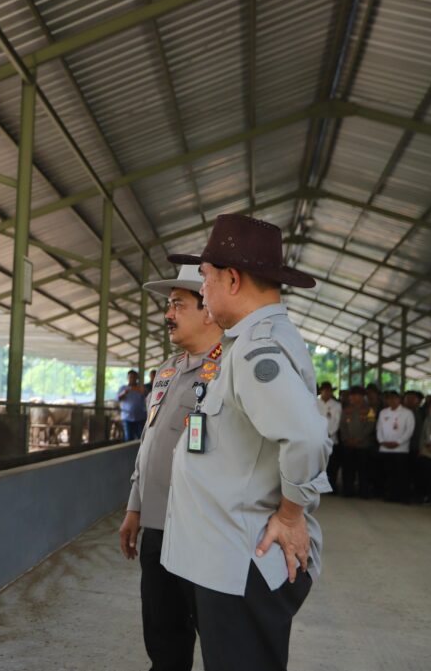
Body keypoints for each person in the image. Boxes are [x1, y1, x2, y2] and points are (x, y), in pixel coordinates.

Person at [160, 214, 331, 671]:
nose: (205, 290)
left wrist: (293, 513)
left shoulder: (257, 349)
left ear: (231, 279)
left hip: (242, 565)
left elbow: (308, 435)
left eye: (206, 279)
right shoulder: (248, 343)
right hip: (227, 560)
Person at [120, 264, 222, 671]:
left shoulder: (231, 371)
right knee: (163, 636)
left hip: (204, 530)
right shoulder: (166, 372)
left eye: (178, 304)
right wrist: (134, 507)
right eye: (169, 305)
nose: (168, 314)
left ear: (208, 310)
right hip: (158, 528)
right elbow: (149, 445)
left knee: (218, 637)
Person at [375, 391, 414, 503]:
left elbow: (409, 430)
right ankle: (389, 495)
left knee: (401, 474)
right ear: (386, 400)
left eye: (394, 398)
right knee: (388, 473)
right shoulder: (383, 412)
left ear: (399, 399)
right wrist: (382, 441)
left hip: (400, 449)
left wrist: (399, 442)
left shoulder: (407, 413)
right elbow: (379, 428)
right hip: (385, 448)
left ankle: (402, 496)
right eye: (389, 399)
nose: (392, 401)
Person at [339, 386, 376, 497]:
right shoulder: (346, 409)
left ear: (362, 396)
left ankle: (363, 492)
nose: (353, 398)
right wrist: (346, 438)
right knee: (348, 469)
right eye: (352, 395)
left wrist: (359, 439)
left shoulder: (370, 410)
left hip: (363, 445)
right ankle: (348, 491)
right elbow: (342, 425)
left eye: (356, 395)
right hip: (348, 444)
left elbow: (370, 426)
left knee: (363, 470)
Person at [318, 382, 342, 493]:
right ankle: (318, 486)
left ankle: (331, 486)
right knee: (318, 465)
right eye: (325, 390)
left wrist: (329, 432)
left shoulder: (337, 405)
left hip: (332, 438)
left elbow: (337, 422)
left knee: (332, 465)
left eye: (329, 390)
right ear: (321, 391)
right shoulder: (315, 403)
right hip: (317, 439)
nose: (327, 392)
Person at [117, 370, 147, 441]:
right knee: (128, 438)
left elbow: (148, 397)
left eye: (134, 377)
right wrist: (124, 393)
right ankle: (128, 451)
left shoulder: (141, 388)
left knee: (141, 438)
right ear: (128, 378)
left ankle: (140, 452)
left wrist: (144, 392)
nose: (132, 379)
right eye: (131, 377)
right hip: (127, 417)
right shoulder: (123, 388)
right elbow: (118, 398)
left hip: (140, 417)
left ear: (137, 378)